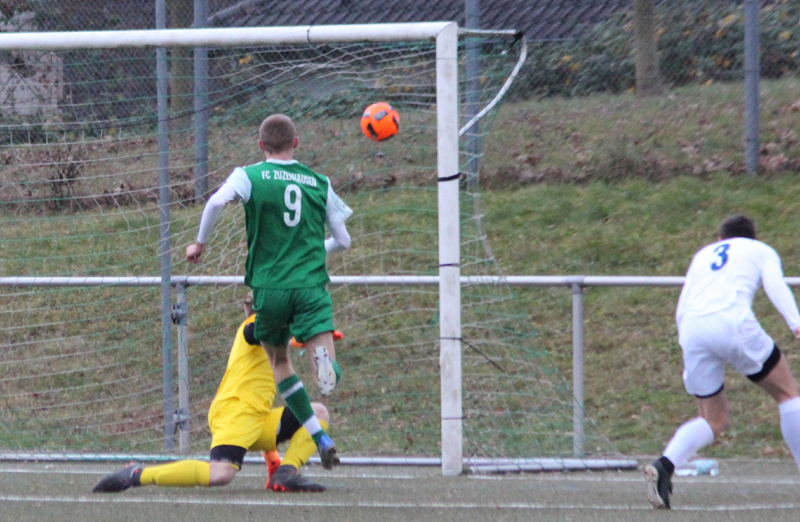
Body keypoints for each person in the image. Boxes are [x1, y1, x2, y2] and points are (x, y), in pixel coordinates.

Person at [186, 114, 352, 469]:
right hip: (310, 286)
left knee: (280, 362)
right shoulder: (318, 181)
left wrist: (200, 244)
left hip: (269, 288)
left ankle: (319, 434)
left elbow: (215, 203)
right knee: (327, 363)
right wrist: (309, 250)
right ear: (297, 142)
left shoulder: (248, 175)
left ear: (261, 145)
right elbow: (343, 240)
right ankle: (325, 365)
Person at [93, 299, 331, 493]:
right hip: (235, 413)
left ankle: (285, 473)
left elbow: (279, 339)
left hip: (258, 420)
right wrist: (308, 333)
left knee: (318, 412)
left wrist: (311, 338)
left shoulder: (275, 331)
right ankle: (137, 474)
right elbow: (257, 331)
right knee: (221, 474)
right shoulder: (256, 325)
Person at [646, 214, 800, 509]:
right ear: (751, 238)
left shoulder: (702, 254)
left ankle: (665, 465)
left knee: (712, 418)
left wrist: (687, 341)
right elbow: (775, 286)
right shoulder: (761, 250)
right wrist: (796, 323)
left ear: (720, 240)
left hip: (691, 327)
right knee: (787, 392)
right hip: (732, 319)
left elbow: (684, 301)